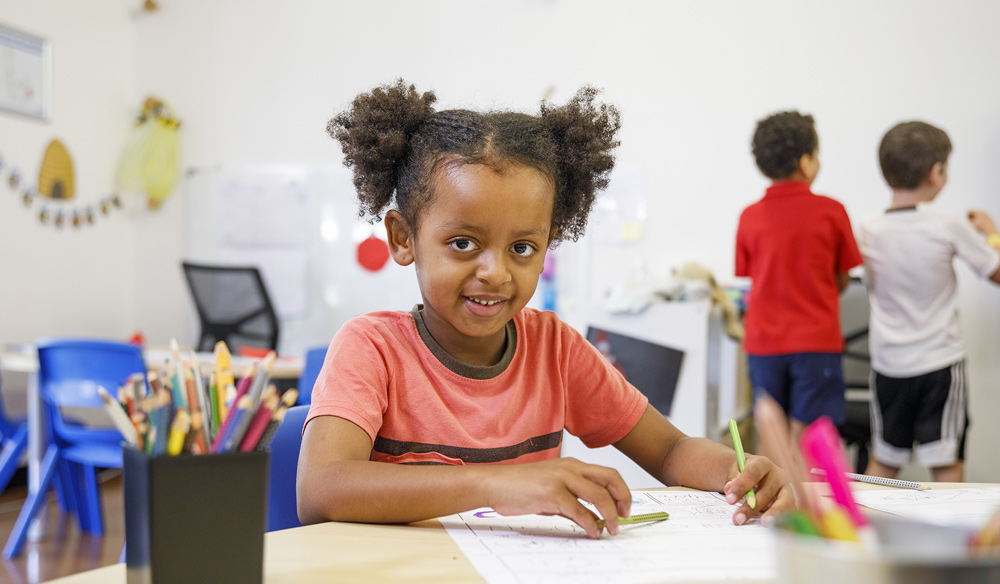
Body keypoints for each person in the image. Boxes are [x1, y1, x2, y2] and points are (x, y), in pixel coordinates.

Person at [297, 80, 793, 537]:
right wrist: (495, 486)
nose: (495, 272)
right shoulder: (371, 348)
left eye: (522, 248)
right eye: (464, 242)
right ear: (404, 239)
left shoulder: (554, 349)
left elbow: (670, 449)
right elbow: (320, 490)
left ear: (548, 244)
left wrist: (736, 470)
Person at [858, 120, 1000, 483]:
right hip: (940, 365)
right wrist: (991, 234)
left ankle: (864, 537)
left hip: (889, 366)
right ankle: (949, 541)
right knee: (946, 464)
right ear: (936, 173)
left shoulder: (867, 230)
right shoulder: (948, 226)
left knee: (884, 462)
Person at [735, 110, 863, 450]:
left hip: (764, 346)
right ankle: (811, 505)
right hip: (815, 345)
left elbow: (753, 278)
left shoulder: (749, 217)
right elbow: (842, 279)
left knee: (771, 438)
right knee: (812, 442)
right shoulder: (832, 211)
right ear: (806, 162)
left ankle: (772, 504)